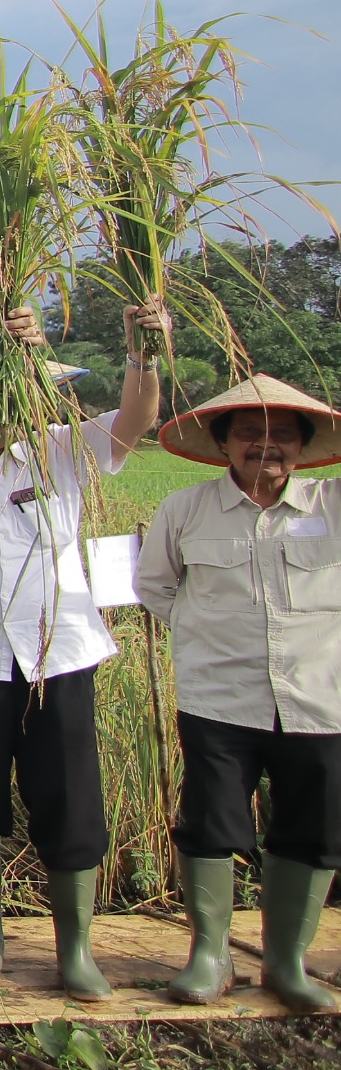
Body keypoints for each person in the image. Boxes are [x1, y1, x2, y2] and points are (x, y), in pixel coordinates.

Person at [0, 301, 168, 1003]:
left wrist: (142, 349)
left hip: (58, 657)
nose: (24, 402)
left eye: (34, 388)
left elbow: (136, 421)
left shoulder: (62, 448)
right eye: (8, 389)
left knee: (71, 802)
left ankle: (75, 948)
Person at [137, 375, 341, 1014]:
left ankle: (286, 963)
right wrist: (208, 637)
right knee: (211, 825)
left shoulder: (332, 506)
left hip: (319, 699)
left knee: (314, 831)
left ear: (304, 447)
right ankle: (211, 956)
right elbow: (156, 587)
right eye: (250, 433)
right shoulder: (186, 510)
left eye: (283, 434)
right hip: (219, 699)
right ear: (225, 442)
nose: (267, 446)